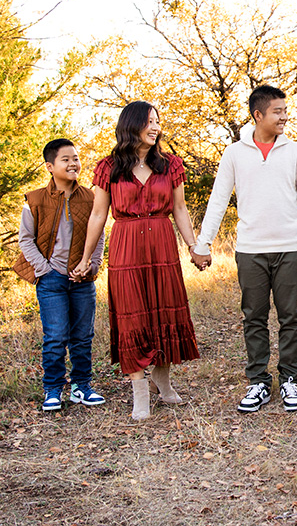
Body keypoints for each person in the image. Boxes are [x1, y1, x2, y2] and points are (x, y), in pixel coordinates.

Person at [194, 85, 297, 413]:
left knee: (291, 315)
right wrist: (203, 243)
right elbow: (219, 199)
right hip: (250, 249)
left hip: (290, 248)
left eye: (285, 110)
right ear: (258, 115)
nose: (284, 116)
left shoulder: (296, 151)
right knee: (254, 316)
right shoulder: (235, 153)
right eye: (277, 111)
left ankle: (290, 380)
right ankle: (258, 382)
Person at [72, 101, 199, 420]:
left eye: (158, 121)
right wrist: (86, 258)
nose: (155, 127)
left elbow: (180, 210)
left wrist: (195, 247)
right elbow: (98, 214)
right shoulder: (108, 167)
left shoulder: (170, 165)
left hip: (162, 244)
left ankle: (163, 384)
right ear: (131, 125)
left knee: (163, 312)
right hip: (126, 247)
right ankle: (139, 393)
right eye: (149, 122)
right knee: (134, 317)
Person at [13, 139, 106, 412]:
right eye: (65, 159)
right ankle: (53, 389)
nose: (73, 163)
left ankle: (81, 386)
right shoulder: (35, 199)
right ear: (50, 166)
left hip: (82, 279)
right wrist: (44, 269)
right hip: (51, 279)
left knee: (83, 335)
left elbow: (97, 235)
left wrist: (92, 265)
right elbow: (25, 239)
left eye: (75, 158)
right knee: (55, 336)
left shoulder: (90, 198)